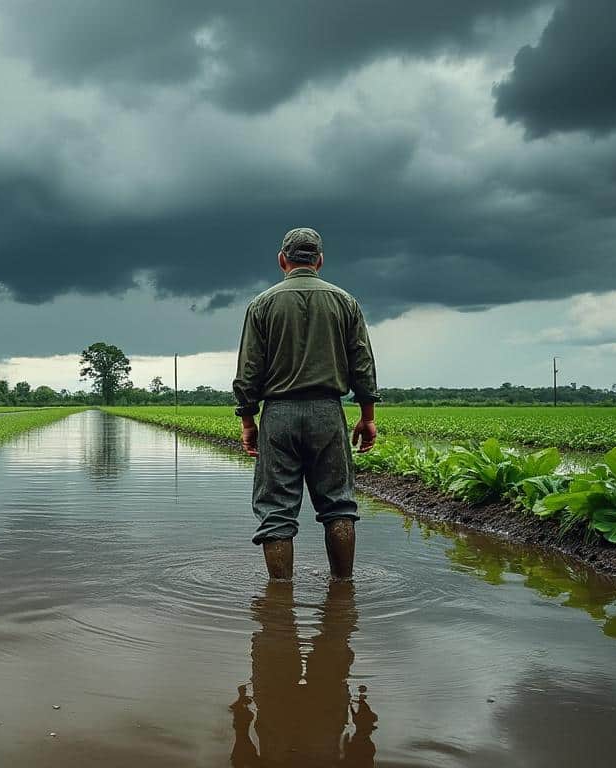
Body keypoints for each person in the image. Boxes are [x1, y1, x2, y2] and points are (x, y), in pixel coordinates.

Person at [232, 227, 380, 581]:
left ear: (282, 260)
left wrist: (248, 420)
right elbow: (362, 363)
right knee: (339, 506)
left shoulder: (261, 305)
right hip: (328, 413)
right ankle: (343, 590)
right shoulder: (345, 302)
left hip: (278, 416)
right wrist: (367, 416)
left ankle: (279, 598)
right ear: (320, 260)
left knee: (277, 513)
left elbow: (248, 370)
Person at [229, 580, 376, 766]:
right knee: (332, 641)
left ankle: (291, 600)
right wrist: (364, 730)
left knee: (280, 637)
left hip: (283, 740)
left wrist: (241, 726)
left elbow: (241, 760)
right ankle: (341, 592)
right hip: (314, 742)